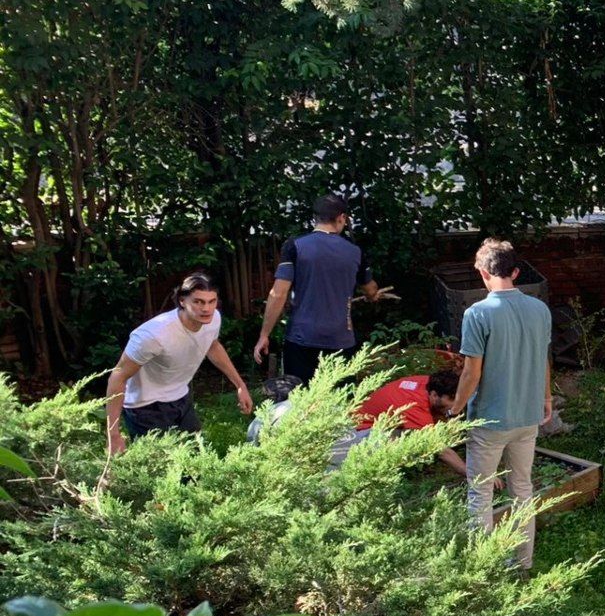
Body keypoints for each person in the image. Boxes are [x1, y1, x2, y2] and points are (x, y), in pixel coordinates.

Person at [449, 238, 552, 571]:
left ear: (482, 273)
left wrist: (453, 412)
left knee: (480, 495)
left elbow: (471, 373)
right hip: (528, 416)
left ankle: (482, 569)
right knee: (522, 488)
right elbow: (545, 360)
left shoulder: (477, 313)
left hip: (489, 421)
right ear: (516, 272)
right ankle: (523, 563)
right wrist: (547, 398)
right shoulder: (540, 308)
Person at [105, 271, 253, 454]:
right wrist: (113, 435)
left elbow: (212, 345)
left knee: (195, 464)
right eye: (198, 302)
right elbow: (117, 376)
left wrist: (240, 385)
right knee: (161, 472)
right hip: (145, 406)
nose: (206, 309)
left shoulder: (213, 319)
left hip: (180, 398)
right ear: (182, 301)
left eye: (211, 301)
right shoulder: (154, 334)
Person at [252, 194, 387, 382]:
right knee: (340, 402)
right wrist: (373, 295)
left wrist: (264, 334)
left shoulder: (295, 247)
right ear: (342, 218)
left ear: (315, 218)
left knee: (298, 400)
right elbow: (369, 289)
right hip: (341, 339)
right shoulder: (355, 252)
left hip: (301, 338)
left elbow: (278, 293)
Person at [332, 370, 468, 473]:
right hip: (355, 434)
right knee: (419, 439)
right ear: (434, 395)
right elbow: (440, 450)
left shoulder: (428, 383)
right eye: (450, 399)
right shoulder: (414, 406)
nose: (455, 404)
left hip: (366, 422)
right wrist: (469, 475)